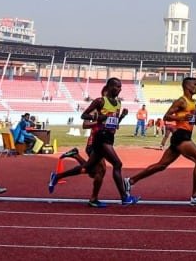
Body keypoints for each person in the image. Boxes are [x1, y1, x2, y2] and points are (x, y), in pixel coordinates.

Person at [49, 78, 138, 207]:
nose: (119, 89)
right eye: (117, 86)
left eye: (120, 87)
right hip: (100, 137)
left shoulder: (118, 103)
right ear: (109, 87)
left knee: (88, 168)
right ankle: (124, 197)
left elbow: (114, 124)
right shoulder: (100, 101)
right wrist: (97, 117)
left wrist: (122, 117)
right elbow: (84, 116)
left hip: (109, 137)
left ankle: (57, 176)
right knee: (116, 164)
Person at [127, 77, 196, 204]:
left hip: (186, 135)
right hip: (181, 136)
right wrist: (181, 118)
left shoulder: (194, 103)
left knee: (161, 165)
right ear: (187, 86)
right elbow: (166, 116)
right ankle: (195, 195)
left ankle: (130, 181)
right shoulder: (181, 101)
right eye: (194, 84)